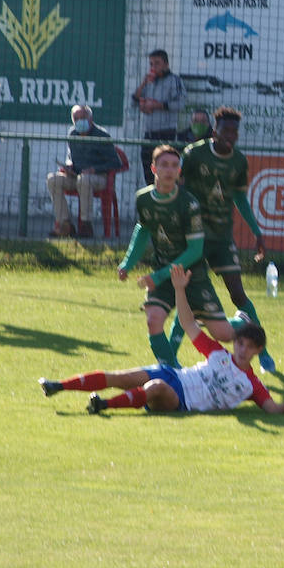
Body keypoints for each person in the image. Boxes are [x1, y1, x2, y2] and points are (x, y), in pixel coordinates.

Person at [40, 264, 284, 416]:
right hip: (175, 376)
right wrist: (179, 289)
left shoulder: (251, 384)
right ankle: (57, 386)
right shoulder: (218, 353)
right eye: (240, 343)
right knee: (120, 376)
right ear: (234, 342)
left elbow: (273, 409)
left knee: (154, 387)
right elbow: (188, 324)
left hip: (183, 401)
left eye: (249, 347)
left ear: (258, 350)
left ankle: (103, 405)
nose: (243, 350)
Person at [118, 143, 235, 366]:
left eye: (174, 166)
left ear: (179, 171)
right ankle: (174, 373)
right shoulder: (143, 199)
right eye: (164, 165)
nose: (170, 170)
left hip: (192, 275)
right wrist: (127, 263)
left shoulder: (188, 204)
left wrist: (159, 276)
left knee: (224, 334)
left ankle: (240, 321)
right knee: (153, 320)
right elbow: (143, 230)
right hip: (162, 272)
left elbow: (195, 251)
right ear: (153, 169)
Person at [179, 106, 276, 373]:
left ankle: (263, 352)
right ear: (215, 131)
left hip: (222, 237)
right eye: (226, 130)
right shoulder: (194, 154)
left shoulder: (239, 161)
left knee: (238, 294)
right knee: (188, 291)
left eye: (235, 131)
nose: (231, 136)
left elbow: (240, 199)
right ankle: (171, 356)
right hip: (195, 236)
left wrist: (257, 232)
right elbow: (180, 189)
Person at [46, 104, 123, 238]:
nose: (80, 121)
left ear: (91, 118)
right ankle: (65, 225)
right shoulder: (72, 133)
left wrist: (94, 169)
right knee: (53, 179)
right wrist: (69, 165)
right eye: (76, 118)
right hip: (75, 176)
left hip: (99, 178)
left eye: (83, 117)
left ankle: (86, 225)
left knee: (84, 180)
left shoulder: (102, 135)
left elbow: (115, 163)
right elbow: (71, 156)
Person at [131, 49, 186, 184]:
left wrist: (157, 105)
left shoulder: (174, 80)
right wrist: (144, 86)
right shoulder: (149, 82)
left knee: (165, 174)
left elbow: (180, 104)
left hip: (166, 133)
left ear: (166, 64)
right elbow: (134, 102)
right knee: (149, 174)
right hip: (149, 134)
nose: (153, 67)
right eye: (151, 64)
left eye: (157, 63)